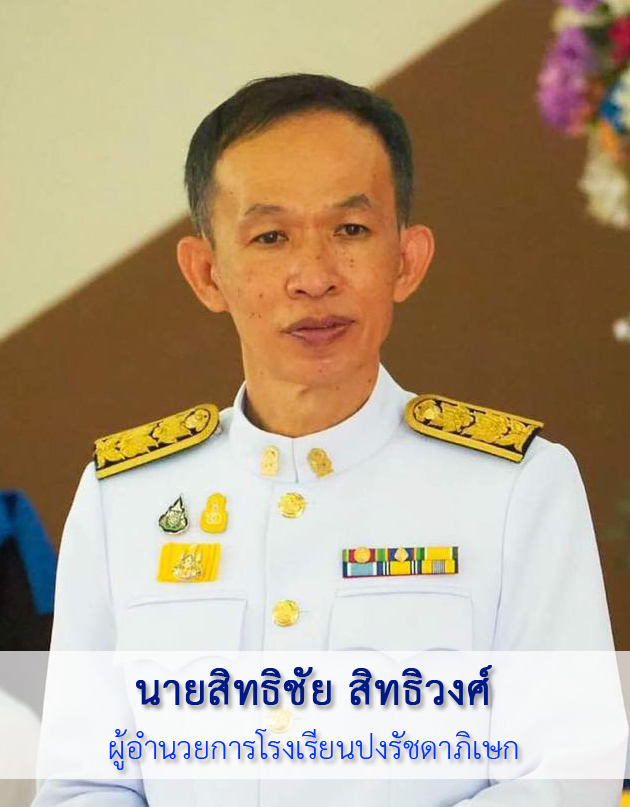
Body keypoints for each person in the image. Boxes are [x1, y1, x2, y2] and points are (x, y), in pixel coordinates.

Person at [33, 73, 626, 806]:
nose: (313, 277)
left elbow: (571, 772)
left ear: (406, 260)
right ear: (207, 273)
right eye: (270, 236)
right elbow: (83, 782)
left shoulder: (516, 486)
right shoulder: (124, 498)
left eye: (350, 230)